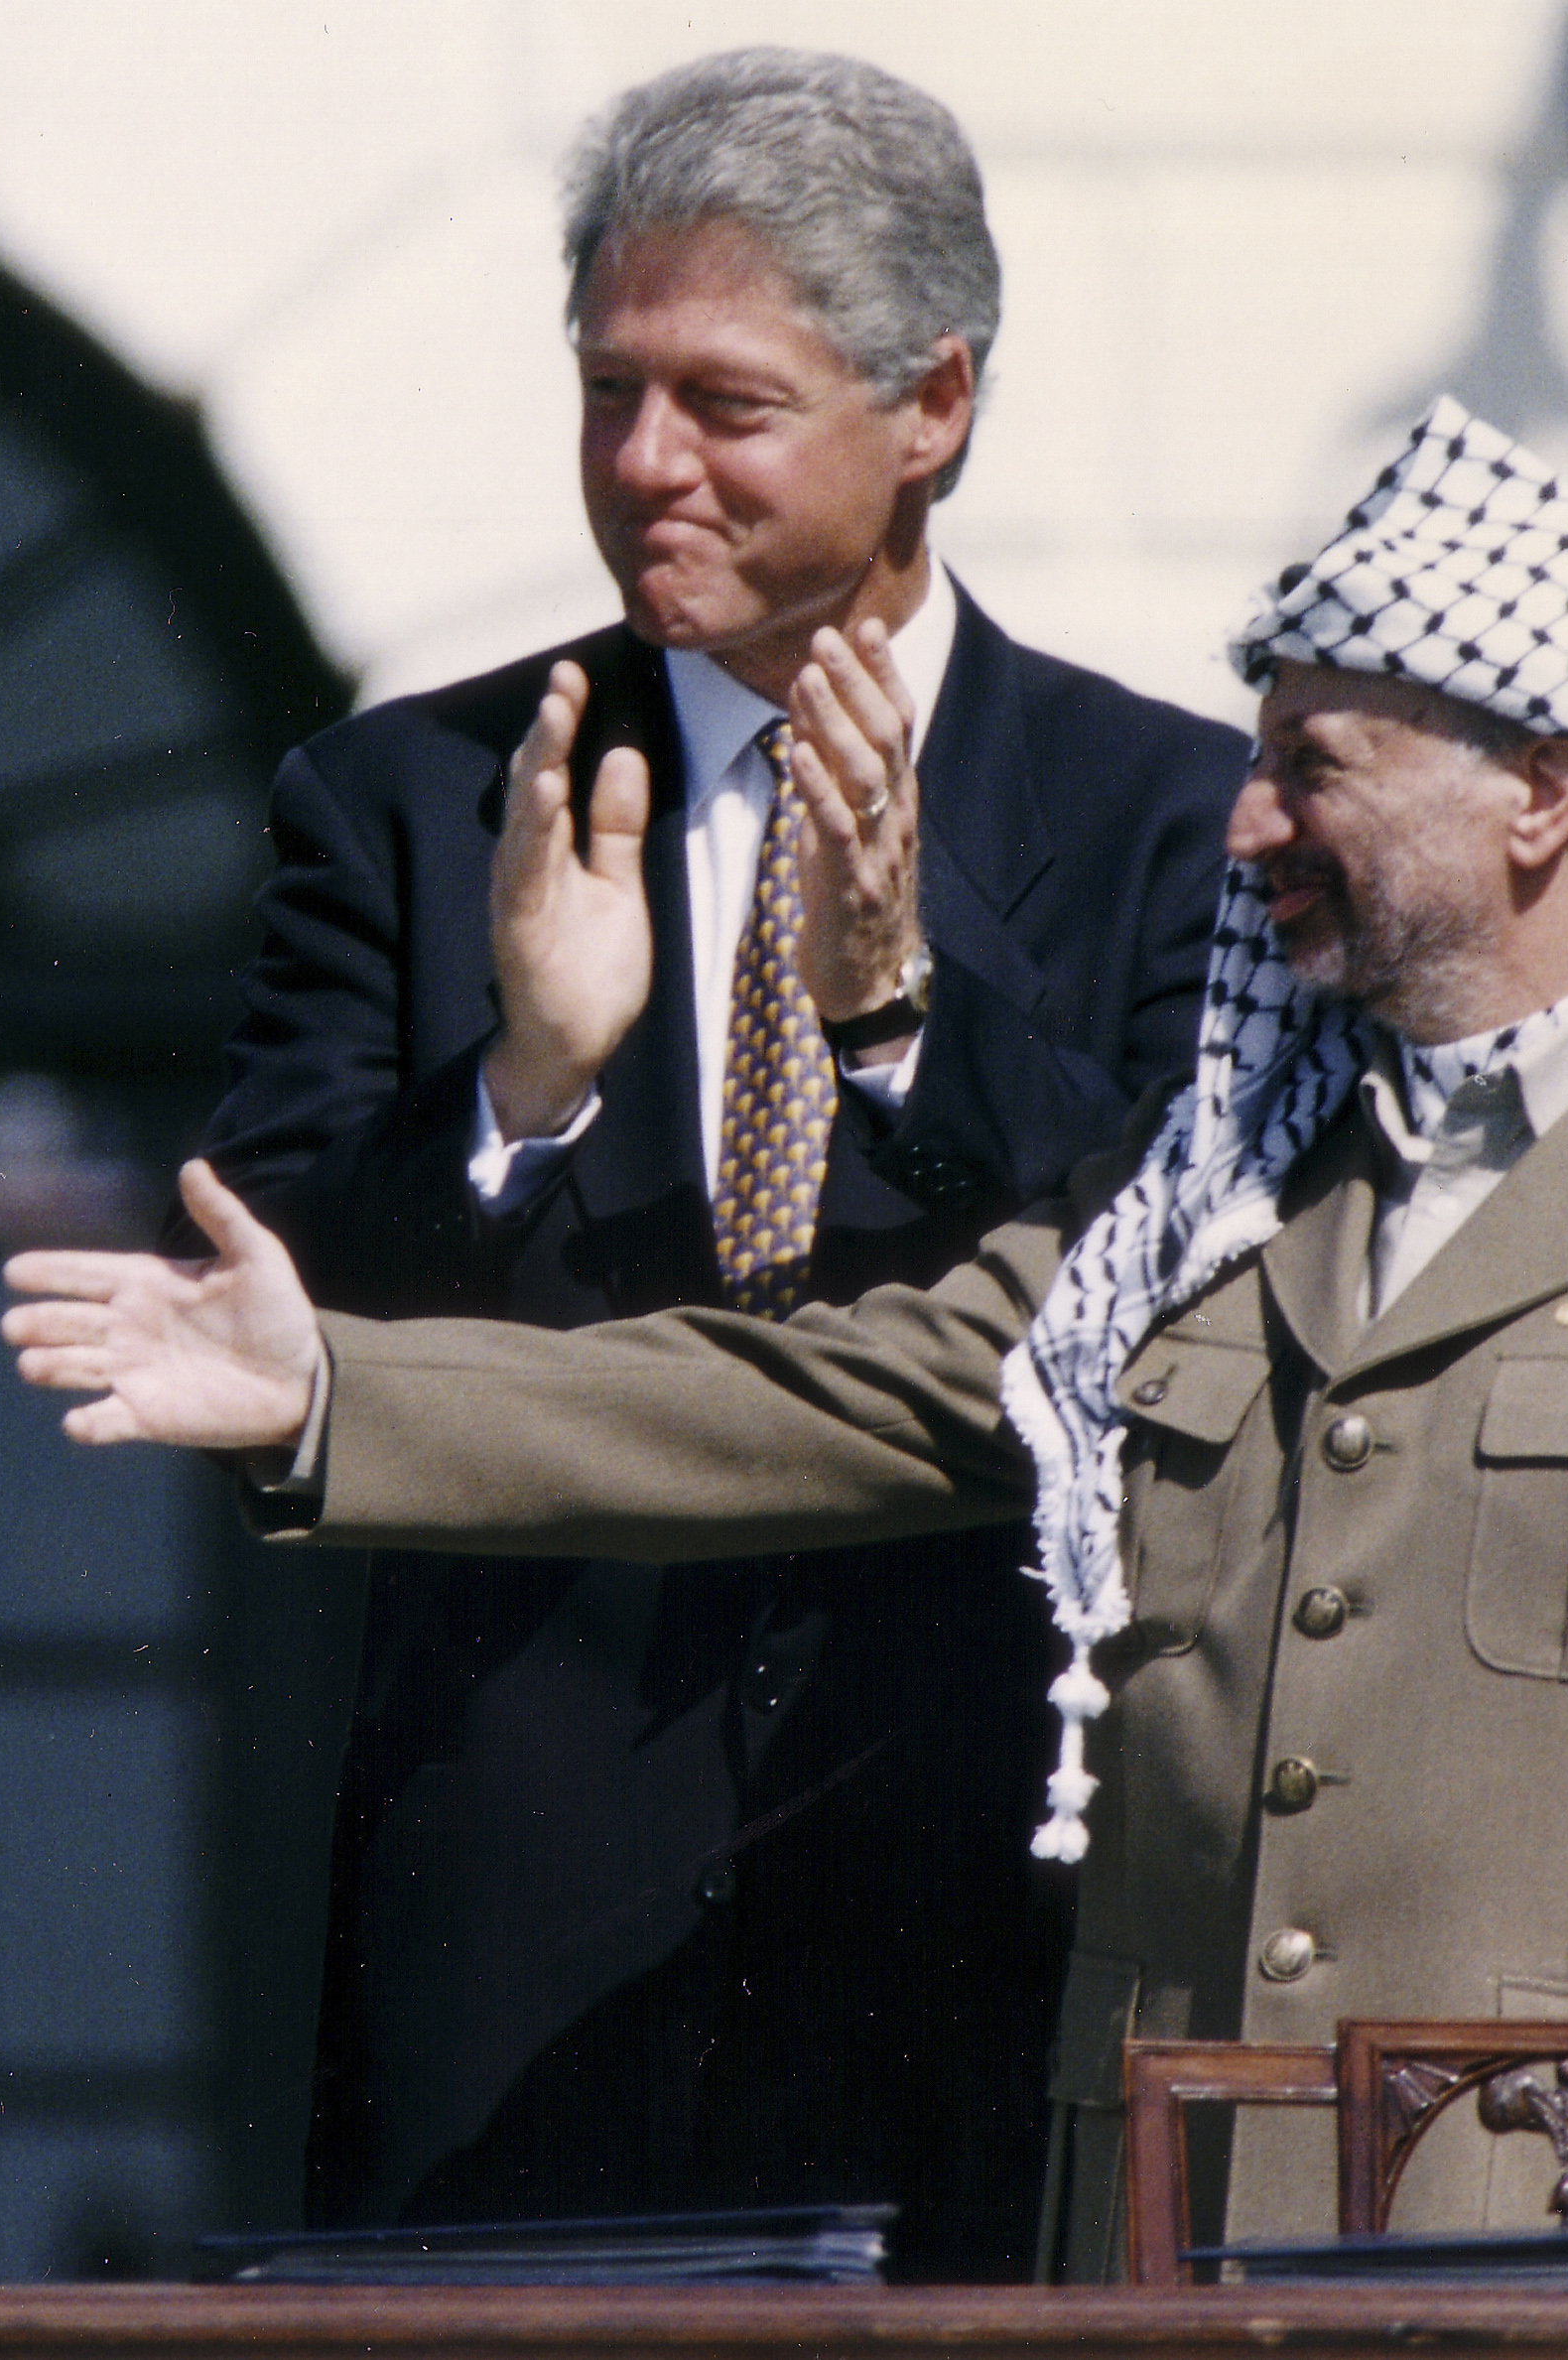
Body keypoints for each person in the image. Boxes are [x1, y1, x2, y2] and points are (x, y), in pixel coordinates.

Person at [8, 400, 1568, 2289]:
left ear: (1540, 793)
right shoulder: (1219, 1190)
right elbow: (825, 1393)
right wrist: (337, 1393)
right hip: (1174, 2261)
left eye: (1313, 767)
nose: (1245, 824)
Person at [191, 48, 1243, 2272]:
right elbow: (261, 1342)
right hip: (516, 1950)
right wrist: (522, 1089)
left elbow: (1175, 1309)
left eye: (723, 404)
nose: (642, 462)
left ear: (931, 402)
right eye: (607, 392)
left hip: (982, 1912)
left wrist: (903, 1024)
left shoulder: (1170, 821)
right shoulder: (415, 800)